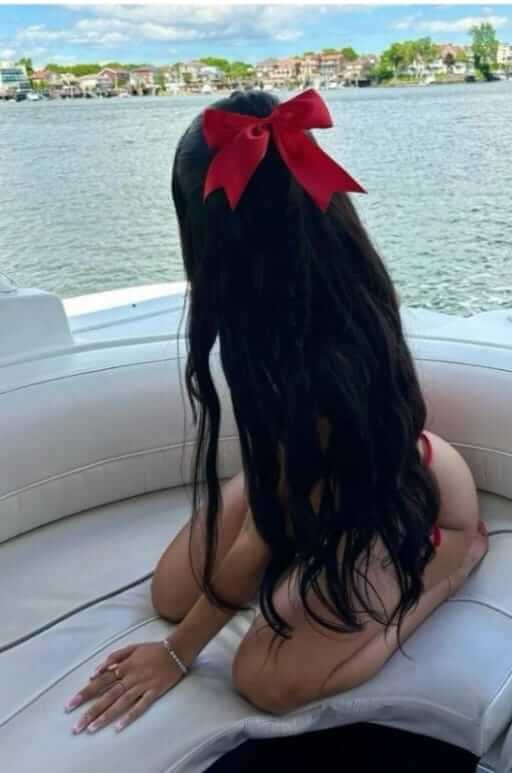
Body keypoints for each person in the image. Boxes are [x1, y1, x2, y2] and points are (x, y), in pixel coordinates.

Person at [64, 89, 489, 736]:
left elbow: (265, 530)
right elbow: (277, 490)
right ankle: (308, 533)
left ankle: (453, 563)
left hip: (409, 495)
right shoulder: (283, 311)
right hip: (314, 480)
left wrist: (176, 653)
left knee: (263, 676)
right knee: (170, 591)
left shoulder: (324, 355)